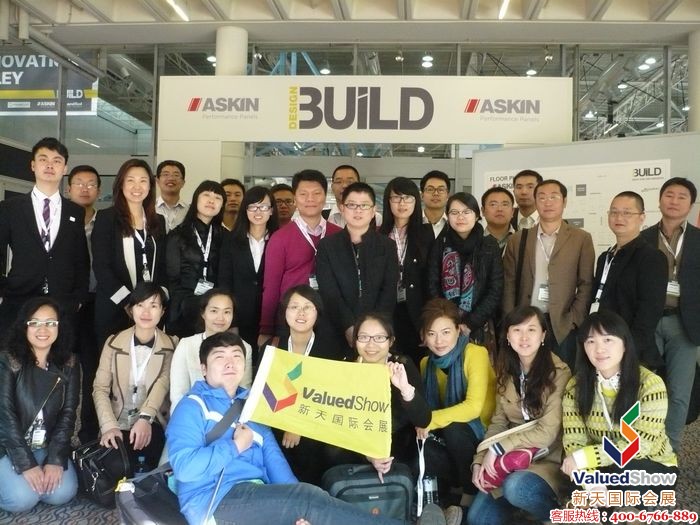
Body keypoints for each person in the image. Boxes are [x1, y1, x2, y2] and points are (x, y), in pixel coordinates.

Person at [167, 330, 448, 525]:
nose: (230, 363)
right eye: (220, 357)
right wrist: (234, 447)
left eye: (236, 356)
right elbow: (185, 469)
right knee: (307, 500)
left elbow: (274, 461)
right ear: (204, 368)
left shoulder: (252, 404)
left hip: (258, 497)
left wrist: (298, 508)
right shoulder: (192, 407)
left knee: (312, 501)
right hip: (214, 501)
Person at [468, 305, 571, 525]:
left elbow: (547, 433)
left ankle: (554, 518)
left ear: (543, 335)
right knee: (477, 519)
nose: (524, 337)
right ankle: (521, 512)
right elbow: (498, 423)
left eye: (531, 330)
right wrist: (480, 458)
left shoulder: (559, 373)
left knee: (516, 488)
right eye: (517, 330)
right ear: (508, 336)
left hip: (545, 458)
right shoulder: (506, 372)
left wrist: (499, 448)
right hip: (507, 460)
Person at [561, 311, 677, 501]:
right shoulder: (576, 387)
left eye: (608, 340)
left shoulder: (650, 385)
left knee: (625, 476)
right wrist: (591, 482)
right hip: (601, 463)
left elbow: (638, 446)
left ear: (624, 344)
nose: (599, 349)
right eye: (591, 341)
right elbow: (574, 440)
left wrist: (583, 458)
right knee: (574, 478)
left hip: (649, 463)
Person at [502, 179, 595, 370]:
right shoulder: (518, 239)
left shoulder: (581, 238)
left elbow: (586, 283)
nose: (548, 202)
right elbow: (509, 284)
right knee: (526, 374)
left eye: (554, 197)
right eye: (542, 197)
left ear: (564, 201)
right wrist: (511, 319)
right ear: (535, 202)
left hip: (562, 323)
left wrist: (574, 319)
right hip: (526, 322)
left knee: (562, 375)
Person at [0, 137, 89, 334]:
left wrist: (79, 298)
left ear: (65, 168)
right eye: (43, 159)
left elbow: (81, 259)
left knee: (61, 351)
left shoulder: (75, 211)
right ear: (33, 165)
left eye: (57, 161)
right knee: (16, 350)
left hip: (63, 300)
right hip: (19, 296)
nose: (50, 165)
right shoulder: (10, 208)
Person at [0, 297, 79, 513]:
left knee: (63, 493)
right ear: (24, 326)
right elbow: (4, 416)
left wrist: (55, 459)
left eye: (50, 323)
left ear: (59, 327)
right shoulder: (8, 361)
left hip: (44, 444)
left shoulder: (69, 363)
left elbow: (68, 414)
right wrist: (26, 465)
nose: (42, 329)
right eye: (34, 323)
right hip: (8, 445)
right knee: (21, 500)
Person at [639, 177, 700, 452]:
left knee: (678, 393)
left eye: (682, 197)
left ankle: (670, 453)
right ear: (660, 199)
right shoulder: (643, 238)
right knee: (643, 389)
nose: (674, 201)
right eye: (669, 195)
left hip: (684, 325)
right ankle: (641, 450)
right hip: (648, 323)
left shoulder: (698, 240)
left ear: (691, 204)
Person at [418, 298, 496, 507]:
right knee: (422, 442)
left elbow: (473, 408)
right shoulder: (426, 364)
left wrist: (428, 421)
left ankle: (470, 492)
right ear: (423, 336)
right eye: (431, 334)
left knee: (454, 429)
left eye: (446, 332)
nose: (439, 341)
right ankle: (454, 487)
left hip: (481, 432)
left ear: (458, 330)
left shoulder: (475, 354)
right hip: (451, 436)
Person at [92, 282, 176, 470]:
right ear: (131, 310)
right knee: (116, 466)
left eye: (153, 306)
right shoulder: (113, 343)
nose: (146, 312)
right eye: (140, 305)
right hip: (117, 419)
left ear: (162, 311)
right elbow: (100, 388)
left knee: (151, 465)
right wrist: (108, 426)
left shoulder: (171, 346)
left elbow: (163, 384)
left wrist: (145, 419)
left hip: (152, 420)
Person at [258, 169, 341, 346]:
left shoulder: (339, 235)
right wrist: (266, 328)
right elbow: (271, 286)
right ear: (295, 199)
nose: (310, 199)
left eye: (316, 193)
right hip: (291, 320)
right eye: (303, 194)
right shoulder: (280, 238)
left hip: (331, 320)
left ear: (325, 197)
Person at [273, 285, 346, 484]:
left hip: (316, 427)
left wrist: (299, 425)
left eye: (308, 307)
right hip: (278, 425)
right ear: (285, 311)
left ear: (317, 313)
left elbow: (334, 398)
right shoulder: (272, 348)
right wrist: (289, 424)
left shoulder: (332, 350)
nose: (301, 313)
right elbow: (265, 395)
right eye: (294, 307)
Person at [92, 159, 167, 349]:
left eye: (143, 181)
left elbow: (163, 266)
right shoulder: (106, 218)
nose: (137, 186)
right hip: (115, 307)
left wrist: (155, 302)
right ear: (121, 184)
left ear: (150, 186)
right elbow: (102, 267)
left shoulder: (158, 221)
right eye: (130, 180)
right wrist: (129, 303)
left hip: (149, 312)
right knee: (115, 361)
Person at [316, 182, 399, 353]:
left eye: (364, 205)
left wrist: (372, 330)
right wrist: (348, 326)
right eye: (352, 205)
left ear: (373, 210)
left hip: (377, 334)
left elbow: (389, 291)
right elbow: (329, 291)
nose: (358, 211)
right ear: (342, 208)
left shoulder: (387, 246)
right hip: (337, 328)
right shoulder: (327, 245)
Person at [592, 191, 666, 370]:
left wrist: (628, 350)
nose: (619, 217)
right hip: (601, 347)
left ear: (642, 217)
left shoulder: (651, 257)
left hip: (632, 352)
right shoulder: (605, 257)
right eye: (614, 212)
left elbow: (649, 313)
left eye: (627, 213)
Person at [353, 313, 432, 477]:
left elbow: (423, 420)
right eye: (364, 337)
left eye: (379, 338)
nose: (371, 344)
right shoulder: (346, 368)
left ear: (391, 341)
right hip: (356, 443)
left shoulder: (402, 365)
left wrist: (404, 388)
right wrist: (369, 454)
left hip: (396, 441)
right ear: (355, 340)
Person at [427, 192, 503, 346]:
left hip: (479, 326)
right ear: (448, 216)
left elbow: (495, 289)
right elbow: (432, 284)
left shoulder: (489, 245)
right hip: (444, 325)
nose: (460, 217)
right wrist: (449, 321)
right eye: (454, 212)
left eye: (466, 212)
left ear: (477, 215)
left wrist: (470, 323)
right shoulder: (440, 244)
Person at [380, 177, 434, 365]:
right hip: (387, 311)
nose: (402, 203)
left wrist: (428, 322)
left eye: (408, 198)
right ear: (388, 201)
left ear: (416, 201)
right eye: (396, 198)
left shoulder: (426, 234)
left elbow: (430, 280)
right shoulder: (378, 234)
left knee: (416, 365)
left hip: (416, 312)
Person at [169, 289, 253, 412]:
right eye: (214, 311)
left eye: (227, 312)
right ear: (203, 313)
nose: (220, 318)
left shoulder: (244, 347)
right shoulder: (186, 345)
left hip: (228, 416)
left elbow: (244, 392)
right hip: (191, 415)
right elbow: (178, 393)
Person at [66, 164, 102, 442]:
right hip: (65, 303)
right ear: (69, 189)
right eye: (79, 183)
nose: (85, 188)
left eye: (91, 184)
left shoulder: (106, 222)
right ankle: (56, 432)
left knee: (92, 370)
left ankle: (88, 434)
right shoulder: (59, 220)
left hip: (96, 303)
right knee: (62, 367)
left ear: (98, 191)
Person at [218, 186, 279, 350]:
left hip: (271, 316)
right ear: (245, 210)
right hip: (240, 316)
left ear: (271, 210)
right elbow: (225, 283)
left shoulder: (279, 239)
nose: (258, 211)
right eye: (252, 206)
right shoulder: (231, 241)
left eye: (263, 206)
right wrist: (232, 321)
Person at [165, 180, 226, 338]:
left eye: (217, 197)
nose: (211, 201)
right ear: (196, 199)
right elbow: (172, 278)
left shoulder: (225, 237)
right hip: (183, 308)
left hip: (216, 310)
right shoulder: (177, 235)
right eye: (206, 195)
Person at [155, 160, 188, 233]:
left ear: (183, 182)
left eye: (176, 175)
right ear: (157, 181)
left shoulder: (189, 211)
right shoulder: (149, 209)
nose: (171, 178)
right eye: (165, 174)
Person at [481, 187, 515, 253]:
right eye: (493, 204)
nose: (500, 209)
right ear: (483, 211)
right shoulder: (475, 242)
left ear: (512, 212)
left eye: (505, 204)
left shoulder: (522, 240)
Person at [420, 171, 450, 238]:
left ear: (447, 196)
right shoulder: (412, 221)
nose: (436, 193)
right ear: (422, 195)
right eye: (430, 189)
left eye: (441, 190)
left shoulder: (454, 223)